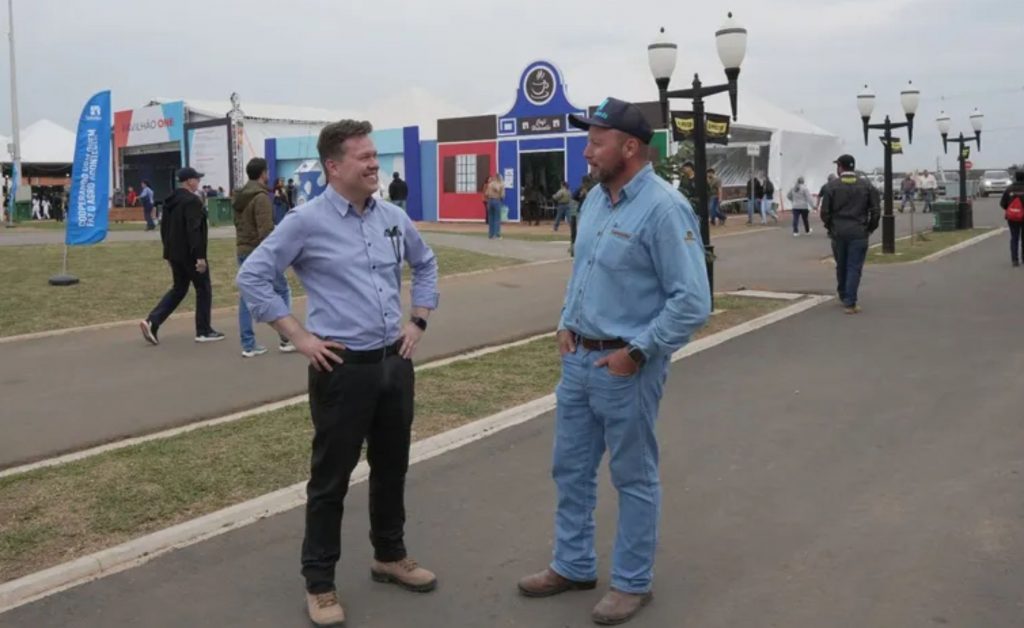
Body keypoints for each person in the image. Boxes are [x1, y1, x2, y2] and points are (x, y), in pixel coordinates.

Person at [237, 120, 440, 627]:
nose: (374, 164)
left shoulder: (391, 216)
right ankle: (320, 584)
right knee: (330, 480)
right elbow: (253, 275)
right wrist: (299, 336)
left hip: (394, 363)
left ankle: (389, 555)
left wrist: (417, 318)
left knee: (392, 467)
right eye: (363, 157)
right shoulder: (305, 222)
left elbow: (426, 262)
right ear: (333, 166)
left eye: (375, 155)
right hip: (342, 369)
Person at [517, 97, 711, 626]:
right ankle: (573, 564)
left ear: (630, 147)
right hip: (578, 359)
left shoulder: (665, 208)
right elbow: (584, 270)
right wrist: (564, 321)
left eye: (596, 141)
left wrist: (638, 351)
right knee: (571, 469)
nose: (586, 151)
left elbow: (693, 300)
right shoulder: (598, 199)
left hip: (626, 368)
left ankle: (631, 582)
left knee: (633, 475)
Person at [139, 168, 224, 345]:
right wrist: (200, 256)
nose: (198, 182)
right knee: (203, 288)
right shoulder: (192, 201)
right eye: (196, 179)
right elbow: (194, 230)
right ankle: (203, 330)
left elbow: (165, 230)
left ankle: (153, 321)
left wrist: (168, 254)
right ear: (188, 181)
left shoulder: (170, 202)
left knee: (179, 288)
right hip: (191, 253)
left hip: (175, 253)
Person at [233, 158, 295, 357]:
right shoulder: (260, 198)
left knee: (246, 297)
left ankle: (248, 344)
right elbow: (266, 232)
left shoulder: (241, 196)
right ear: (263, 173)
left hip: (243, 249)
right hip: (258, 252)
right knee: (282, 289)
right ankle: (287, 337)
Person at [820, 154, 880, 314]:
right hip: (859, 232)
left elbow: (824, 212)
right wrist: (869, 229)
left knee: (841, 264)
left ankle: (843, 293)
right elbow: (875, 211)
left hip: (838, 231)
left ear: (840, 167)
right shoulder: (866, 186)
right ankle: (850, 302)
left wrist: (830, 227)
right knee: (854, 266)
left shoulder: (831, 186)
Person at [999, 171, 1024, 266]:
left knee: (1014, 238)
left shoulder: (1009, 189)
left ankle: (1014, 260)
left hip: (1012, 217)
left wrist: (1010, 209)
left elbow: (1002, 203)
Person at [484, 173, 505, 239]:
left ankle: (491, 235)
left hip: (490, 201)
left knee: (491, 218)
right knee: (497, 218)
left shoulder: (490, 184)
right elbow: (502, 195)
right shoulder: (500, 184)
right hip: (497, 200)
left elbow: (486, 193)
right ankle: (496, 235)